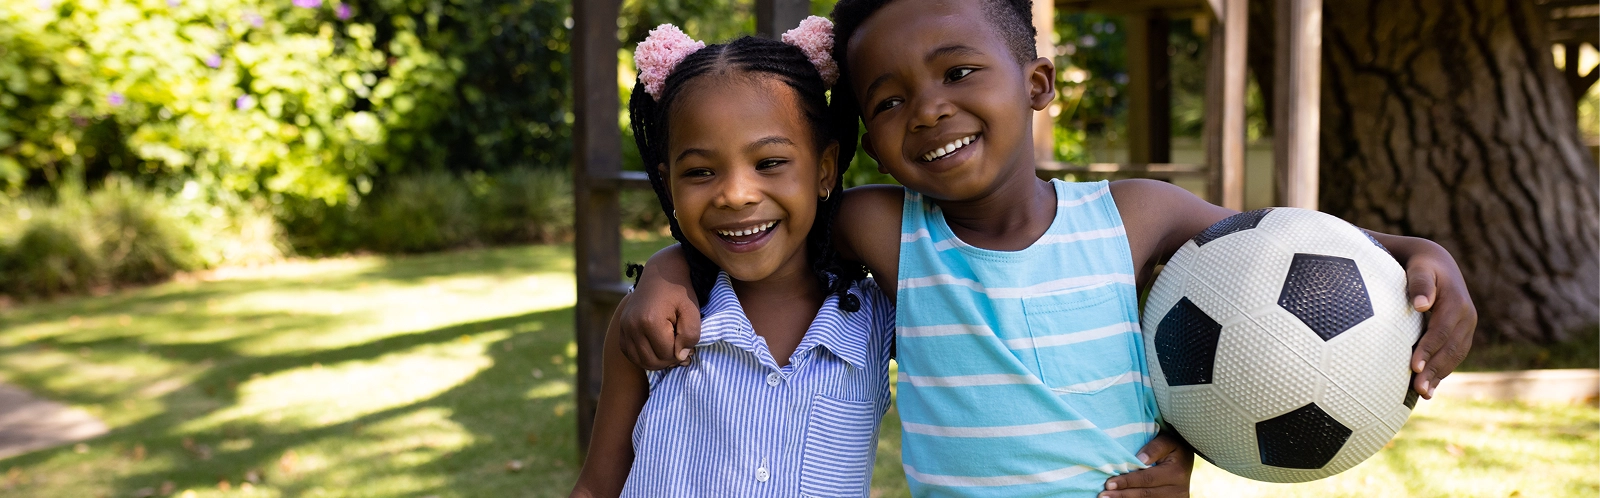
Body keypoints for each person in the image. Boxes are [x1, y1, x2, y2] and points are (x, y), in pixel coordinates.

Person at [618, 0, 1479, 496]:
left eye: (958, 74)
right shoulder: (883, 229)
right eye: (887, 100)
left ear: (1037, 84)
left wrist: (1413, 251)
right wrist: (665, 269)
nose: (927, 110)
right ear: (863, 145)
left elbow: (1279, 253)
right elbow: (753, 221)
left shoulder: (1135, 216)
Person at [569, 19, 897, 498]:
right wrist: (666, 268)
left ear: (825, 168)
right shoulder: (652, 323)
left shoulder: (877, 318)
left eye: (769, 163)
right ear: (668, 184)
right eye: (700, 171)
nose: (736, 195)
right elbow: (597, 487)